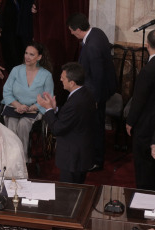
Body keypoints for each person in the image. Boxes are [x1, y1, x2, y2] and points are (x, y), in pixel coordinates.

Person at [67, 13, 116, 172]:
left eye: (72, 31)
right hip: (101, 89)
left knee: (95, 127)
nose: (72, 34)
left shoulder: (92, 46)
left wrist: (95, 99)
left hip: (96, 93)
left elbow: (98, 75)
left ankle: (96, 161)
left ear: (79, 29)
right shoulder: (97, 32)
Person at [37, 62, 96, 184]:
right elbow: (71, 118)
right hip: (82, 153)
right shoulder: (86, 93)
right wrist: (55, 109)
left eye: (63, 78)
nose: (60, 80)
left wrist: (47, 109)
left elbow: (57, 128)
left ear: (72, 83)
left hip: (72, 158)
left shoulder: (75, 103)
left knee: (69, 194)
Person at [2, 42, 53, 159]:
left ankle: (22, 159)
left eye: (31, 54)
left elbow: (48, 97)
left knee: (24, 124)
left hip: (34, 109)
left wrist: (32, 107)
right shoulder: (16, 70)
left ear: (39, 57)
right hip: (14, 107)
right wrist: (18, 105)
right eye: (26, 53)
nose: (27, 57)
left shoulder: (46, 75)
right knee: (12, 123)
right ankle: (10, 158)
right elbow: (7, 92)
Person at [126, 29, 155, 190]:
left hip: (147, 127)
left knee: (145, 171)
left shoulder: (148, 71)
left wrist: (130, 122)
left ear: (147, 45)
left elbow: (139, 101)